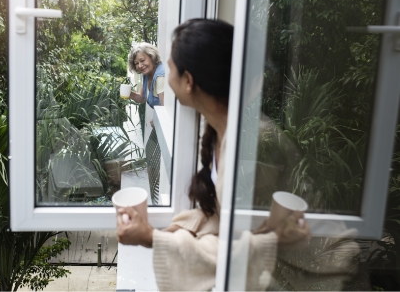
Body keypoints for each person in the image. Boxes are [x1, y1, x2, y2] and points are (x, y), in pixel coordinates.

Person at [116, 19, 311, 291]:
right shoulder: (221, 130)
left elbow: (236, 249)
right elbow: (225, 221)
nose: (165, 69)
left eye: (171, 66)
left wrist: (150, 236)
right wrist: (170, 231)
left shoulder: (251, 144)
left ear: (188, 82)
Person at [127, 42, 164, 204]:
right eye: (136, 63)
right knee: (151, 157)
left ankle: (158, 198)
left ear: (152, 56)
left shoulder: (160, 75)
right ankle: (155, 196)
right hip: (159, 123)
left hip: (166, 126)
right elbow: (142, 98)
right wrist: (128, 93)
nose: (140, 65)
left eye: (143, 60)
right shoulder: (146, 75)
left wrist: (157, 119)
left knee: (155, 160)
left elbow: (165, 107)